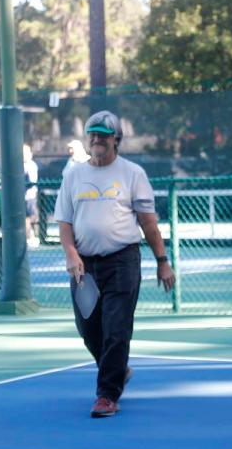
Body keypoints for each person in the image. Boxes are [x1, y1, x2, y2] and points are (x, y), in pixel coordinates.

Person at [52, 110, 175, 418]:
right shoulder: (73, 175)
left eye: (103, 136)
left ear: (116, 140)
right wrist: (70, 253)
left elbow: (149, 223)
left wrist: (163, 261)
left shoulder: (132, 174)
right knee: (88, 329)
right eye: (92, 134)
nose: (96, 140)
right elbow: (64, 222)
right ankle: (119, 369)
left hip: (123, 261)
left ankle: (107, 395)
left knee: (116, 329)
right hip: (84, 265)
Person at [23, 144, 39, 245]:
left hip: (29, 196)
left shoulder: (32, 165)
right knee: (27, 217)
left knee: (29, 217)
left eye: (25, 153)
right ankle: (29, 235)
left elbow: (31, 182)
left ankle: (29, 236)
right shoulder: (19, 165)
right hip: (21, 197)